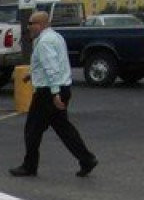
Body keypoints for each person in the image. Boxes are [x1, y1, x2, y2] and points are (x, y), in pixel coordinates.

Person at [10, 11, 98, 178]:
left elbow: (52, 68)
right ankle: (87, 159)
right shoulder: (56, 37)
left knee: (32, 129)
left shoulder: (44, 42)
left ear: (42, 24)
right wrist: (32, 75)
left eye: (32, 23)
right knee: (63, 128)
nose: (29, 27)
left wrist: (55, 94)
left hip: (48, 92)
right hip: (59, 88)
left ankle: (29, 166)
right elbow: (53, 64)